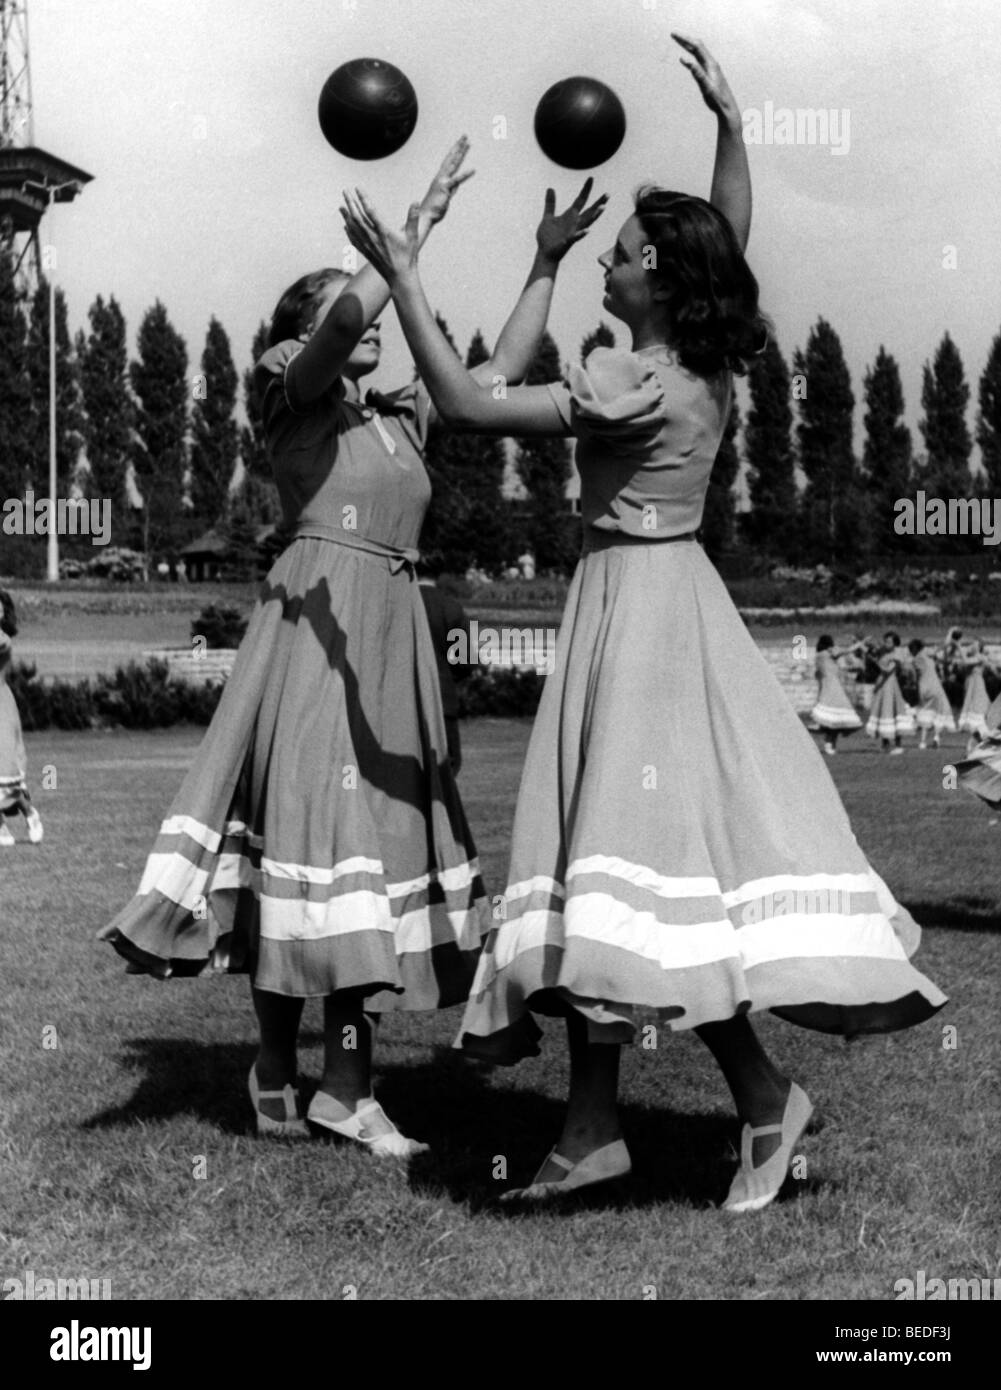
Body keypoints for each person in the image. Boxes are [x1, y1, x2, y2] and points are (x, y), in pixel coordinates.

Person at [341, 35, 946, 1210]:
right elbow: (726, 240)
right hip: (673, 607)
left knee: (617, 871)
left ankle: (756, 1104)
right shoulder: (705, 363)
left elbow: (462, 403)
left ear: (656, 281)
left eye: (617, 255)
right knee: (615, 882)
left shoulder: (629, 382)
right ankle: (589, 1127)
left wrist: (405, 273)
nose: (606, 262)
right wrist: (728, 132)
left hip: (633, 618)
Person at [100, 140, 607, 1155]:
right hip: (311, 640)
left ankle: (311, 1076)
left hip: (389, 640)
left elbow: (499, 370)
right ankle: (319, 1076)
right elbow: (341, 323)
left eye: (369, 294)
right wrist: (406, 235)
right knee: (321, 848)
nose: (369, 317)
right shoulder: (290, 392)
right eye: (349, 298)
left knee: (348, 866)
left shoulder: (399, 416)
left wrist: (543, 260)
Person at [417, 561, 474, 774]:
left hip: (404, 700)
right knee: (447, 768)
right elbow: (465, 661)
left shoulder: (398, 605)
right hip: (443, 698)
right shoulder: (450, 607)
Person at [0, 610, 44, 847]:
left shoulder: (4, 641)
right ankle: (0, 827)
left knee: (5, 771)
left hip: (1, 707)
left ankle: (30, 814)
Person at [810, 634, 863, 755]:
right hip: (833, 686)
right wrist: (858, 644)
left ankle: (830, 742)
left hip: (826, 685)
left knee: (833, 718)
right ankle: (830, 743)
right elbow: (845, 651)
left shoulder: (818, 656)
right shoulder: (828, 652)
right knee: (836, 718)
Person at [866, 632, 914, 753]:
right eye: (885, 641)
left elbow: (887, 670)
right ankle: (885, 743)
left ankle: (898, 744)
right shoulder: (884, 652)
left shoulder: (897, 655)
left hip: (890, 686)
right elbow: (873, 649)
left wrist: (875, 661)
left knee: (893, 713)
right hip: (882, 686)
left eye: (889, 642)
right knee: (883, 713)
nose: (886, 644)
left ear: (895, 644)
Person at [908, 638, 956, 750]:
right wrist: (949, 639)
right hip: (935, 687)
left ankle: (922, 742)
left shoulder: (916, 660)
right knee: (940, 712)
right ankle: (936, 737)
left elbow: (915, 678)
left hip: (923, 688)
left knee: (926, 713)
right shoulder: (924, 655)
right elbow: (938, 649)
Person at [957, 639, 996, 755]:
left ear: (979, 647)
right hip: (971, 689)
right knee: (978, 721)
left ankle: (974, 749)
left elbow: (965, 661)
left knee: (979, 717)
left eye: (974, 643)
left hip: (977, 689)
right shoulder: (975, 656)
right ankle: (974, 749)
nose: (971, 645)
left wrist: (958, 646)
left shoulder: (980, 657)